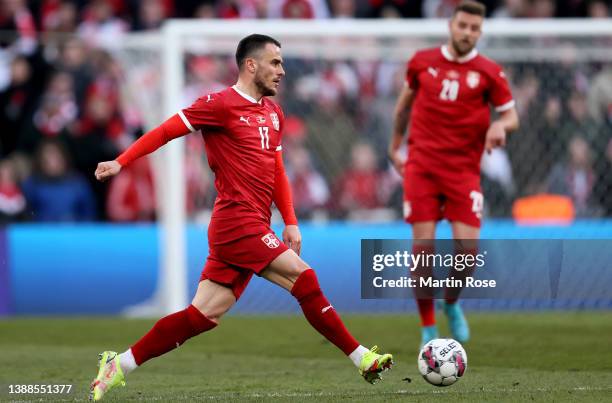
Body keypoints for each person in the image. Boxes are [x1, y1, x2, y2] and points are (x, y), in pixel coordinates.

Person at [89, 34, 393, 401]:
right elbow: (166, 130)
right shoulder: (219, 105)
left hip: (254, 224)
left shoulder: (273, 113)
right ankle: (362, 359)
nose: (282, 71)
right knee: (305, 278)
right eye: (275, 62)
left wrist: (291, 219)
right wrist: (121, 161)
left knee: (202, 316)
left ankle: (119, 365)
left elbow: (277, 170)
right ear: (251, 65)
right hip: (236, 222)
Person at [388, 1, 519, 348]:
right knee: (423, 250)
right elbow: (403, 106)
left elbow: (512, 116)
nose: (467, 33)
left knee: (468, 252)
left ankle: (451, 302)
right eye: (463, 25)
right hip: (422, 167)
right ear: (451, 25)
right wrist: (394, 146)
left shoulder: (490, 72)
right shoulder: (421, 62)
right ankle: (428, 327)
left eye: (475, 28)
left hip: (463, 171)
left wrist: (498, 127)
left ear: (480, 32)